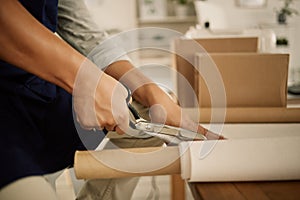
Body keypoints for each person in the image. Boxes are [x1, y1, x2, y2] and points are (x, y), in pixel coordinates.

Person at [0, 0, 222, 199]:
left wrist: (153, 94)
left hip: (33, 89)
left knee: (148, 116)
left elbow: (87, 35)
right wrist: (85, 78)